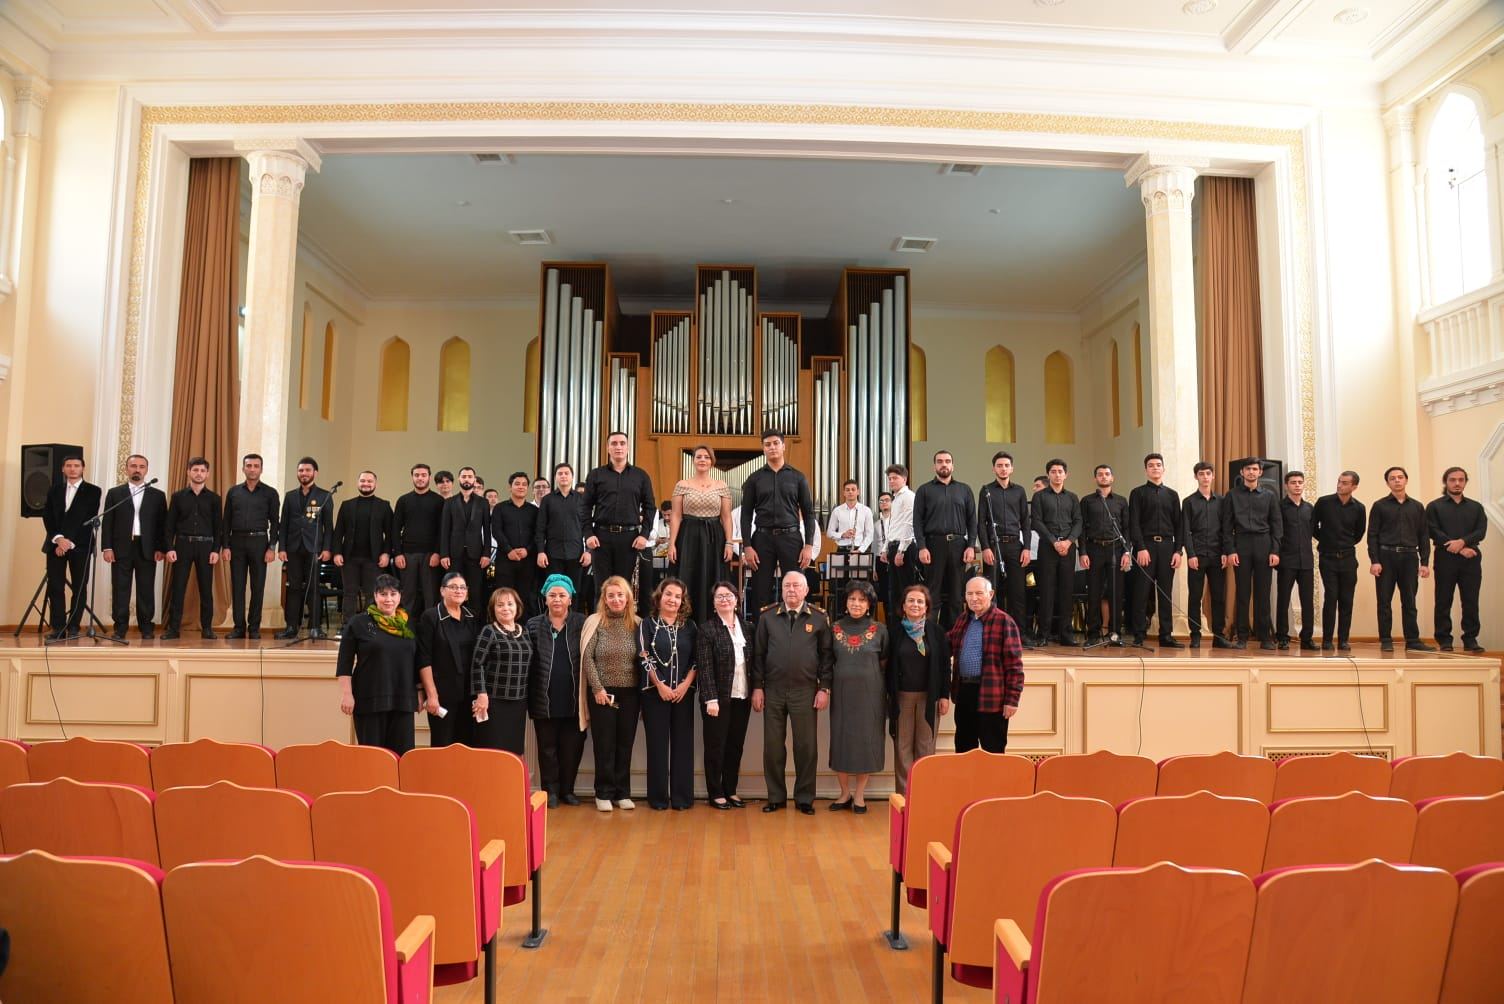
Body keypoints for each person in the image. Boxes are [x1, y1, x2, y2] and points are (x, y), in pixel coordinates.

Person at [751, 570, 833, 814]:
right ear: (781, 588)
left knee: (806, 747)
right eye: (787, 585)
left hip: (806, 691)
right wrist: (757, 686)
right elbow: (758, 654)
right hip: (773, 691)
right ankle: (775, 797)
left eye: (797, 585)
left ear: (806, 590)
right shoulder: (767, 617)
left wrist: (824, 688)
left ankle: (805, 798)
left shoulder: (819, 618)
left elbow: (827, 656)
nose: (791, 590)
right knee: (773, 747)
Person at [335, 573, 417, 755]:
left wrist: (419, 693)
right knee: (372, 758)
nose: (389, 599)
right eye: (383, 594)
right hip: (369, 699)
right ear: (374, 596)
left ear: (400, 596)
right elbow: (344, 664)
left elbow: (418, 662)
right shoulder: (359, 623)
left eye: (393, 594)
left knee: (403, 758)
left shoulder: (409, 624)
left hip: (403, 700)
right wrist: (347, 695)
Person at [740, 431, 819, 614]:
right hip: (761, 539)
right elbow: (745, 515)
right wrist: (747, 546)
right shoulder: (754, 479)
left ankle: (796, 634)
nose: (772, 447)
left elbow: (808, 513)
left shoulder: (798, 477)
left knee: (795, 588)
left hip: (791, 538)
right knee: (761, 592)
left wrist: (808, 545)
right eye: (767, 444)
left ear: (783, 446)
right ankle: (762, 637)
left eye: (776, 443)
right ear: (763, 449)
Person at [527, 574, 588, 808]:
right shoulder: (533, 625)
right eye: (552, 595)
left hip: (574, 700)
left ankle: (567, 790)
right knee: (547, 749)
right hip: (544, 698)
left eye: (562, 595)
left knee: (572, 748)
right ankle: (549, 791)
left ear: (570, 599)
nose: (557, 600)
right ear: (545, 598)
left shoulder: (582, 623)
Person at [581, 575, 641, 812]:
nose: (616, 599)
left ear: (628, 598)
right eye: (611, 595)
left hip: (631, 694)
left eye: (620, 595)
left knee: (625, 745)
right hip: (602, 694)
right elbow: (587, 657)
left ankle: (622, 792)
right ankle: (603, 792)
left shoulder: (637, 623)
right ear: (604, 599)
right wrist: (597, 688)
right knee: (604, 745)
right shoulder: (596, 622)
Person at [828, 580, 888, 814]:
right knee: (841, 741)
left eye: (862, 600)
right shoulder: (833, 628)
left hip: (871, 696)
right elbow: (827, 661)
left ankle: (860, 795)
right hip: (842, 696)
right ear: (845, 602)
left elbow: (884, 662)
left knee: (866, 742)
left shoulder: (880, 630)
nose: (856, 603)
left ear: (869, 604)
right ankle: (844, 793)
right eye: (852, 599)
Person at [946, 576, 1024, 753]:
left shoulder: (1004, 622)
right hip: (964, 693)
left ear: (991, 594)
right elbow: (946, 646)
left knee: (993, 750)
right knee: (964, 748)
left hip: (992, 697)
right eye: (969, 594)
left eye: (979, 593)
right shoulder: (962, 620)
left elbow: (1015, 666)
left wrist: (1012, 700)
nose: (974, 598)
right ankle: (968, 782)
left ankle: (994, 783)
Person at [639, 577, 698, 811]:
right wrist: (660, 685)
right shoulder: (647, 624)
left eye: (677, 596)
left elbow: (696, 659)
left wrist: (684, 686)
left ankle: (682, 799)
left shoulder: (690, 627)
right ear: (659, 596)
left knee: (683, 747)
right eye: (669, 594)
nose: (673, 599)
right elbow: (644, 656)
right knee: (657, 746)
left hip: (684, 694)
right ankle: (658, 799)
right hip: (655, 695)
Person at [887, 584, 951, 796]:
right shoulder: (894, 632)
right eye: (911, 601)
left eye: (920, 601)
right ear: (903, 606)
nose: (915, 604)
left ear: (926, 607)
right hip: (902, 698)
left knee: (925, 748)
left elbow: (944, 667)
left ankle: (924, 796)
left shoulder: (936, 632)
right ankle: (904, 797)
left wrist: (944, 695)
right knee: (903, 748)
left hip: (928, 697)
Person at [697, 580, 753, 809]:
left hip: (742, 697)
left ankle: (731, 789)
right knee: (715, 746)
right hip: (717, 700)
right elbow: (705, 667)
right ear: (713, 603)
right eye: (719, 597)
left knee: (735, 746)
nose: (725, 600)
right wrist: (711, 698)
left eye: (728, 595)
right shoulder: (707, 629)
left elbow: (754, 662)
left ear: (737, 600)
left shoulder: (748, 627)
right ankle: (716, 792)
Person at [583, 431, 656, 605]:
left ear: (628, 447)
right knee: (601, 587)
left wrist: (644, 535)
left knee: (624, 588)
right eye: (614, 443)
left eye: (622, 443)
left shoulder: (641, 476)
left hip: (629, 538)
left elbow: (650, 507)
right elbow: (584, 506)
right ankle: (600, 629)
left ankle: (623, 629)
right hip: (601, 537)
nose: (618, 447)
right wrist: (588, 534)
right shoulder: (596, 475)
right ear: (608, 448)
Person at [1369, 466, 1434, 653]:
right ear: (1387, 482)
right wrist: (1375, 560)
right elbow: (1372, 535)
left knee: (1409, 601)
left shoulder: (1417, 507)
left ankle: (1413, 640)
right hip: (1386, 556)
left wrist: (1424, 563)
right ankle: (1386, 639)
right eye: (1392, 478)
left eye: (1400, 477)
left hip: (1409, 557)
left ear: (1406, 480)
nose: (1397, 480)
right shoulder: (1379, 505)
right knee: (1384, 601)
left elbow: (1423, 535)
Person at [102, 453, 166, 640]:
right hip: (121, 547)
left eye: (141, 466)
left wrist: (160, 548)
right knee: (121, 588)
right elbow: (108, 522)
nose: (137, 469)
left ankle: (146, 626)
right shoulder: (115, 493)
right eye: (133, 466)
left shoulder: (158, 495)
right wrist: (107, 547)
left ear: (146, 470)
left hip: (146, 547)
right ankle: (120, 627)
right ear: (126, 469)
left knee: (146, 588)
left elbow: (162, 524)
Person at [669, 444, 734, 625]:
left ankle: (713, 624)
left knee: (714, 579)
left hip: (714, 537)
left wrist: (729, 543)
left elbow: (727, 517)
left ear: (712, 461)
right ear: (693, 461)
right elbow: (675, 515)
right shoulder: (682, 485)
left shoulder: (721, 486)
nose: (702, 460)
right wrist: (672, 543)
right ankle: (685, 623)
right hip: (688, 536)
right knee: (687, 578)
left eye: (706, 457)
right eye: (699, 457)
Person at [1222, 458, 1282, 650]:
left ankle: (1264, 637)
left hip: (1264, 544)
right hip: (1241, 545)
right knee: (1242, 593)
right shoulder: (1231, 495)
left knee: (1263, 594)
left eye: (1255, 469)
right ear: (1242, 472)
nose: (1251, 472)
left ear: (1260, 472)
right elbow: (1226, 526)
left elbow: (1277, 525)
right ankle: (1242, 636)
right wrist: (1230, 550)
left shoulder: (1270, 496)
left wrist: (1275, 550)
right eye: (1248, 469)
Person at [912, 450, 976, 628]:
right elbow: (917, 522)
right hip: (933, 545)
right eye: (940, 461)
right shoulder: (924, 490)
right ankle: (930, 633)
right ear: (934, 466)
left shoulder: (964, 489)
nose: (944, 464)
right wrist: (922, 547)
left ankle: (954, 635)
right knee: (933, 593)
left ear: (953, 465)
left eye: (947, 461)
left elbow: (972, 521)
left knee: (956, 595)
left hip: (958, 545)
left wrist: (971, 545)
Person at [1427, 467, 1487, 653]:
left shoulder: (1475, 507)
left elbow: (1480, 531)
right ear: (1446, 482)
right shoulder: (1434, 506)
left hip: (1471, 557)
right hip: (1445, 557)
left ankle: (1470, 639)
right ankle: (1444, 639)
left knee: (1470, 599)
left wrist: (1462, 542)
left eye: (1461, 480)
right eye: (1453, 480)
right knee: (1443, 599)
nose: (1457, 483)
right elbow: (1432, 530)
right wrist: (1457, 547)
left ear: (1465, 482)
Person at [416, 571, 479, 748]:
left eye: (462, 587)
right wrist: (431, 694)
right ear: (442, 591)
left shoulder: (472, 617)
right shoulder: (431, 617)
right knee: (442, 746)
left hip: (469, 693)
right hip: (442, 694)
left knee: (468, 745)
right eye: (453, 587)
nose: (458, 591)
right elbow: (424, 658)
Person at [42, 454, 101, 640]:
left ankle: (74, 626)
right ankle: (58, 628)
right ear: (63, 469)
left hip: (80, 544)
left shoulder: (93, 491)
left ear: (83, 468)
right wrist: (59, 539)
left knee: (79, 586)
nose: (72, 469)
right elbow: (48, 517)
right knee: (56, 587)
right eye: (69, 465)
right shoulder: (55, 490)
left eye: (76, 465)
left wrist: (68, 542)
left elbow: (86, 518)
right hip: (55, 545)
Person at [219, 453, 278, 640]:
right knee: (237, 586)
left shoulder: (270, 493)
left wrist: (272, 547)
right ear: (243, 468)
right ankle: (238, 627)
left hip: (260, 543)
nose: (252, 469)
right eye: (249, 465)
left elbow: (275, 523)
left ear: (261, 469)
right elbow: (226, 521)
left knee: (257, 587)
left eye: (256, 466)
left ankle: (254, 628)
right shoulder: (233, 492)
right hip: (236, 543)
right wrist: (225, 546)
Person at [163, 457, 223, 640]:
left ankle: (207, 628)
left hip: (206, 546)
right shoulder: (178, 497)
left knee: (206, 589)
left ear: (207, 474)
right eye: (195, 470)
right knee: (178, 587)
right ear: (188, 472)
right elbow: (169, 526)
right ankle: (173, 629)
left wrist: (215, 550)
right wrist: (169, 548)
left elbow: (218, 527)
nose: (199, 473)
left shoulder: (214, 499)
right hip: (182, 545)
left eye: (202, 470)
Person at [471, 586, 533, 755]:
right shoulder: (489, 631)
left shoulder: (525, 632)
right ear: (493, 609)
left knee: (513, 751)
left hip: (519, 702)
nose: (505, 608)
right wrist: (481, 694)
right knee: (492, 751)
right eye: (500, 605)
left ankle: (509, 782)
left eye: (510, 604)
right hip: (493, 701)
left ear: (517, 607)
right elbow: (477, 664)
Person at [276, 457, 333, 639]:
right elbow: (283, 523)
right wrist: (282, 547)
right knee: (293, 587)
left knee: (313, 587)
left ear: (315, 473)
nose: (304, 474)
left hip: (314, 548)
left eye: (307, 470)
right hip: (293, 548)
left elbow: (328, 526)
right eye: (301, 470)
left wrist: (326, 548)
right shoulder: (290, 496)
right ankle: (292, 626)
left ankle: (315, 627)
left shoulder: (324, 496)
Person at [1128, 453, 1182, 647]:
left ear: (1163, 469)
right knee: (1141, 592)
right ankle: (1139, 634)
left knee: (1165, 593)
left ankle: (1166, 635)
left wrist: (1178, 551)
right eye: (1151, 465)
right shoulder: (1137, 493)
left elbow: (1180, 526)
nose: (1155, 468)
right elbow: (1133, 523)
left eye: (1158, 465)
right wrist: (1140, 548)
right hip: (1146, 547)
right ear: (1146, 470)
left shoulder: (1172, 495)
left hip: (1168, 547)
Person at [977, 451, 1032, 641]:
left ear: (1012, 468)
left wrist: (1027, 548)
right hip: (994, 546)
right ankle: (992, 632)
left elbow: (1026, 522)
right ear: (993, 468)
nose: (1003, 468)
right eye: (999, 465)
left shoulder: (1020, 491)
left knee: (1018, 592)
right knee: (991, 591)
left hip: (1016, 546)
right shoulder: (986, 491)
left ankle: (1019, 633)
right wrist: (985, 547)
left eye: (1006, 465)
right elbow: (981, 523)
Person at [1312, 470, 1366, 652]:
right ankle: (1327, 640)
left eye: (1344, 483)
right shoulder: (1324, 502)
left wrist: (1345, 543)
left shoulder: (1359, 508)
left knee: (1346, 600)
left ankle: (1343, 640)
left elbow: (1359, 534)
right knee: (1331, 597)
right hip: (1328, 557)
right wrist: (1327, 540)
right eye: (1339, 481)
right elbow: (1313, 527)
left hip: (1349, 558)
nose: (1340, 485)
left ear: (1354, 487)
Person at [1031, 459, 1081, 647]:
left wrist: (1068, 542)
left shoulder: (1073, 497)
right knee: (1046, 591)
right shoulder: (1040, 497)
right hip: (1047, 547)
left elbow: (1078, 522)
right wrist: (1053, 541)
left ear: (1066, 475)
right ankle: (1043, 634)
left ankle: (1066, 634)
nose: (1057, 474)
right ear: (1048, 475)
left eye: (1060, 471)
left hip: (1068, 548)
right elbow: (1037, 521)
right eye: (1053, 471)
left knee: (1067, 591)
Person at [1181, 461, 1231, 648]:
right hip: (1197, 556)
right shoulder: (1188, 502)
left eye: (1208, 473)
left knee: (1219, 597)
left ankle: (1219, 636)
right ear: (1196, 477)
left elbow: (1227, 529)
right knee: (1195, 597)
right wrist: (1191, 554)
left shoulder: (1222, 501)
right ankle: (1195, 635)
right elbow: (1186, 531)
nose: (1205, 477)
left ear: (1213, 476)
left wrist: (1226, 552)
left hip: (1218, 555)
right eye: (1201, 474)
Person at [1079, 464, 1130, 644]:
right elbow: (1082, 529)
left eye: (1107, 474)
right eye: (1100, 474)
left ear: (1112, 478)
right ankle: (1093, 634)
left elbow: (1127, 529)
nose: (1103, 477)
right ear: (1095, 479)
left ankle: (1115, 634)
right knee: (1094, 592)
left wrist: (1127, 552)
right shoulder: (1086, 501)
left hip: (1116, 550)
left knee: (1116, 592)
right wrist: (1082, 552)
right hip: (1094, 549)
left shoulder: (1121, 501)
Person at [334, 470, 393, 622]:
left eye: (369, 481)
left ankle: (369, 625)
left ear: (375, 484)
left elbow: (390, 533)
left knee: (371, 593)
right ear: (357, 483)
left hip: (374, 558)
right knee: (349, 593)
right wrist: (337, 553)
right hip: (349, 557)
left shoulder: (384, 506)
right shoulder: (347, 505)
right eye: (363, 481)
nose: (366, 484)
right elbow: (338, 531)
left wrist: (386, 553)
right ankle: (348, 626)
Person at [392, 463, 445, 616]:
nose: (420, 478)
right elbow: (395, 529)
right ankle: (405, 629)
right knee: (407, 595)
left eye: (423, 475)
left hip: (430, 555)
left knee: (431, 596)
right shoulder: (403, 500)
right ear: (412, 477)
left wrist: (437, 553)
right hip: (407, 555)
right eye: (417, 475)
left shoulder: (439, 501)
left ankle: (431, 630)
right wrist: (398, 554)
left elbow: (442, 530)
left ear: (429, 477)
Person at [536, 463, 590, 608]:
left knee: (575, 593)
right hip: (553, 554)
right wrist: (541, 552)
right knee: (553, 592)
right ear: (555, 478)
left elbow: (588, 527)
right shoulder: (547, 500)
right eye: (560, 473)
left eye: (567, 473)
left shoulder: (582, 499)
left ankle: (573, 627)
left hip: (577, 555)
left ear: (572, 477)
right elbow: (540, 529)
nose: (563, 476)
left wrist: (588, 552)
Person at [440, 466, 491, 615]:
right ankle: (452, 621)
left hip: (476, 555)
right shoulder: (449, 502)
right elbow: (444, 530)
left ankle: (475, 627)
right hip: (454, 554)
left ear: (474, 480)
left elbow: (487, 531)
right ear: (459, 479)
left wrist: (486, 553)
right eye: (464, 476)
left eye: (470, 476)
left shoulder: (483, 503)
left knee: (475, 592)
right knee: (453, 591)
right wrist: (444, 554)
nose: (467, 479)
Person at [1275, 471, 1317, 651]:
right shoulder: (1279, 507)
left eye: (1300, 482)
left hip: (1306, 560)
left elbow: (1315, 531)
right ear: (1286, 486)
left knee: (1308, 600)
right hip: (1286, 560)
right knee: (1283, 600)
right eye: (1293, 482)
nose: (1297, 485)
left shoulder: (1310, 508)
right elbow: (1276, 533)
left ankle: (1307, 638)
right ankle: (1283, 637)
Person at [494, 472, 540, 619]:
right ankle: (503, 628)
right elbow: (496, 531)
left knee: (525, 597)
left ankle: (523, 631)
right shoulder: (500, 508)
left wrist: (527, 550)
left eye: (524, 485)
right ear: (510, 487)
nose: (521, 487)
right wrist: (508, 550)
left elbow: (537, 534)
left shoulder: (534, 511)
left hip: (528, 560)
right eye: (517, 484)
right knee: (504, 596)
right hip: (505, 559)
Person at [881, 465, 917, 633]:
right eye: (889, 478)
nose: (891, 481)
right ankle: (896, 631)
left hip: (905, 548)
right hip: (894, 546)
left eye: (895, 478)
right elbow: (893, 527)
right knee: (894, 593)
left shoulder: (909, 497)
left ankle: (907, 629)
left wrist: (901, 550)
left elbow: (909, 524)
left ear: (904, 479)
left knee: (904, 591)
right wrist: (885, 548)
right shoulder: (895, 499)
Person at [826, 479, 875, 553]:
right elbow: (829, 533)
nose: (850, 492)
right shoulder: (837, 510)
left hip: (859, 549)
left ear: (858, 492)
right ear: (844, 493)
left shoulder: (866, 510)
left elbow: (870, 535)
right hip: (841, 549)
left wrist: (860, 550)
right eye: (847, 490)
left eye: (853, 489)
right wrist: (843, 535)